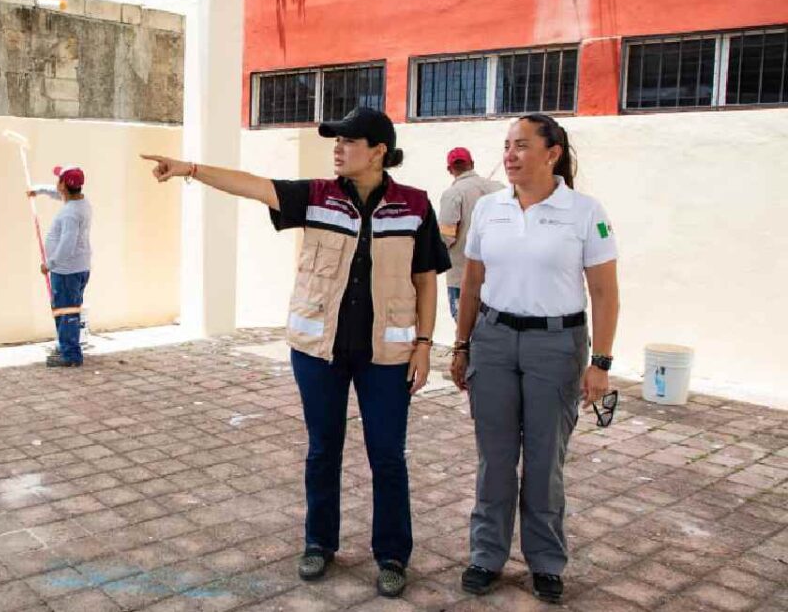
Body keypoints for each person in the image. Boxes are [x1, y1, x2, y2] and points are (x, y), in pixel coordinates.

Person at [142, 107, 449, 598]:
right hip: (318, 353)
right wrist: (192, 170)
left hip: (386, 358)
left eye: (348, 141)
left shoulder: (415, 205)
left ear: (378, 152)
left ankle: (392, 554)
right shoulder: (316, 195)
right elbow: (253, 185)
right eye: (336, 140)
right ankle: (319, 542)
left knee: (387, 456)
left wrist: (425, 346)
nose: (337, 147)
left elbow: (426, 278)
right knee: (323, 449)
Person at [450, 114, 619, 604]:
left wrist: (600, 363)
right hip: (494, 339)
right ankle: (486, 555)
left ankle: (546, 562)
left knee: (545, 461)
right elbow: (472, 285)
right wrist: (461, 345)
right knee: (495, 459)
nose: (509, 155)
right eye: (506, 145)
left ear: (553, 154)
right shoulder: (489, 210)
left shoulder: (585, 211)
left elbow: (605, 294)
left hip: (556, 344)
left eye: (521, 145)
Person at [29, 166, 92, 368]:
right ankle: (67, 347)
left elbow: (67, 245)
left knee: (66, 312)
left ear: (64, 185)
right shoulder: (81, 202)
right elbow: (59, 194)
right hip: (78, 268)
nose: (56, 184)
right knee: (68, 311)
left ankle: (70, 355)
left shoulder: (70, 214)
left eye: (59, 180)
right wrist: (37, 190)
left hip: (67, 271)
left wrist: (50, 264)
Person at [437, 147, 503, 320]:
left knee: (466, 329)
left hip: (462, 276)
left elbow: (446, 237)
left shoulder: (453, 194)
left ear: (449, 169)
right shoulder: (499, 189)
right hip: (498, 275)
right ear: (472, 164)